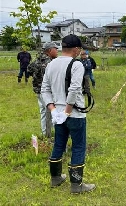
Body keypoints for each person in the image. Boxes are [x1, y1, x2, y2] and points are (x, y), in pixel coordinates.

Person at [41, 34, 95, 194]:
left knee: (59, 144)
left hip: (57, 115)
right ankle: (76, 185)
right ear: (76, 49)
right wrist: (67, 111)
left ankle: (56, 178)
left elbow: (45, 89)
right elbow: (74, 89)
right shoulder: (76, 64)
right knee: (78, 147)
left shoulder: (51, 64)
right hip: (74, 115)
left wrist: (53, 110)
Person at [27, 42, 58, 138]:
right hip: (47, 92)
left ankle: (45, 133)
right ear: (49, 50)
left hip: (38, 90)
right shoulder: (50, 62)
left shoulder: (37, 59)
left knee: (43, 112)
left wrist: (37, 78)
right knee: (51, 113)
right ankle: (51, 135)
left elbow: (29, 70)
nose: (57, 51)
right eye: (55, 49)